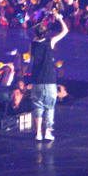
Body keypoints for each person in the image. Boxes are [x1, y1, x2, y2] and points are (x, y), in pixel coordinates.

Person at [28, 11, 68, 141]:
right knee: (49, 108)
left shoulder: (33, 44)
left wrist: (44, 20)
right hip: (49, 80)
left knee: (38, 107)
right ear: (46, 33)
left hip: (37, 80)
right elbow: (65, 31)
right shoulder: (50, 42)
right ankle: (47, 132)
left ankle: (38, 133)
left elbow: (37, 33)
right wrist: (59, 18)